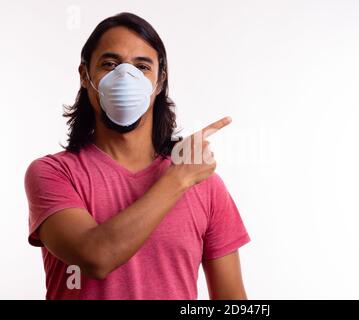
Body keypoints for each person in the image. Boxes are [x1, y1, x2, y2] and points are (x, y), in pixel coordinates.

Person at [24, 12, 251, 300]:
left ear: (158, 82)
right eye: (110, 64)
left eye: (142, 66)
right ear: (85, 75)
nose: (125, 76)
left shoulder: (205, 185)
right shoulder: (53, 173)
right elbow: (96, 257)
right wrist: (179, 178)